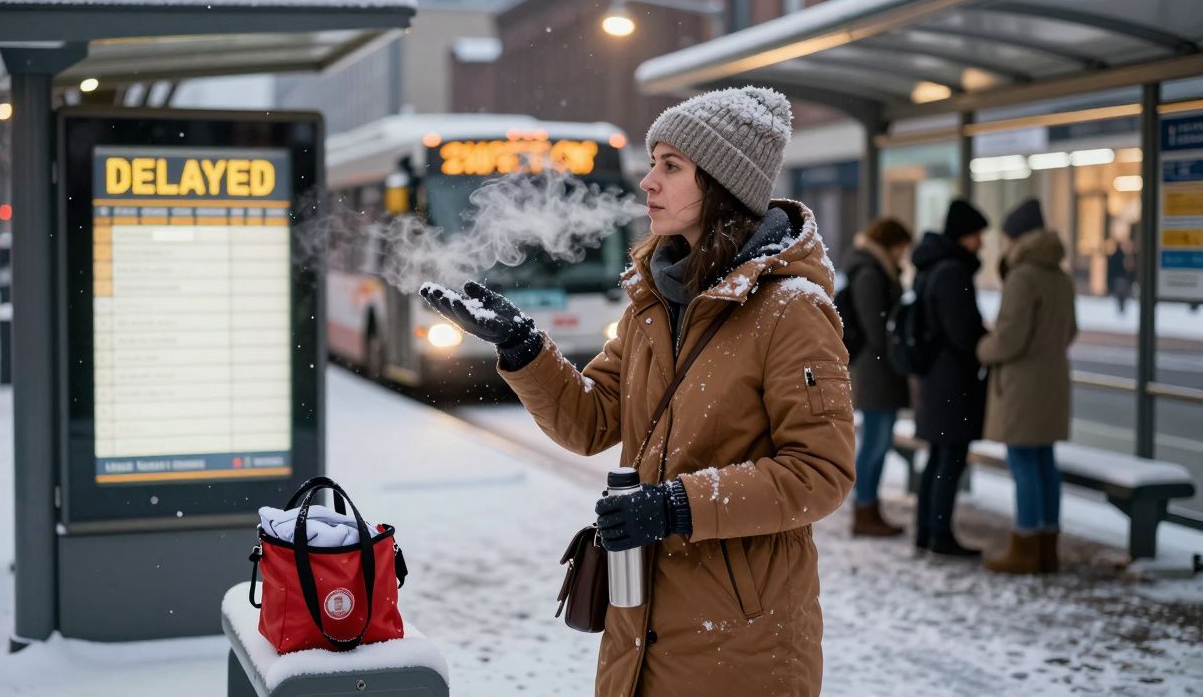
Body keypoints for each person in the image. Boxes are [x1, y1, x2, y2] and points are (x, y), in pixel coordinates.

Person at [421, 87, 854, 696]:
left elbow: (821, 473)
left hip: (743, 642)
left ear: (723, 186)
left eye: (670, 166)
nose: (648, 182)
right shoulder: (654, 304)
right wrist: (523, 347)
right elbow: (590, 422)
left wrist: (679, 505)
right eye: (653, 163)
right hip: (640, 623)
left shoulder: (792, 310)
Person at [978, 199, 1077, 575]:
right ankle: (1048, 546)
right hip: (1052, 380)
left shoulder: (1023, 277)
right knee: (1044, 463)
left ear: (1016, 237)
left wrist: (983, 347)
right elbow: (1071, 331)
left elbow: (1009, 339)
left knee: (1022, 463)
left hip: (1022, 385)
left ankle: (1025, 546)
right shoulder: (1060, 276)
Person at [911, 199, 988, 557]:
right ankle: (940, 533)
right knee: (950, 459)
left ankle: (927, 531)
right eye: (976, 235)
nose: (981, 243)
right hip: (952, 381)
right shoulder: (953, 272)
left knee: (938, 457)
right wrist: (984, 339)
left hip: (934, 379)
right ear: (962, 236)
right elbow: (961, 333)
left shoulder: (930, 267)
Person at [846, 217, 913, 536]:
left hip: (879, 367)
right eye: (901, 248)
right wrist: (894, 352)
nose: (903, 255)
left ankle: (869, 508)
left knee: (879, 440)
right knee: (876, 441)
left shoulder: (876, 268)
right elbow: (876, 325)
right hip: (875, 369)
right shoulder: (871, 271)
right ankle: (864, 509)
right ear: (891, 245)